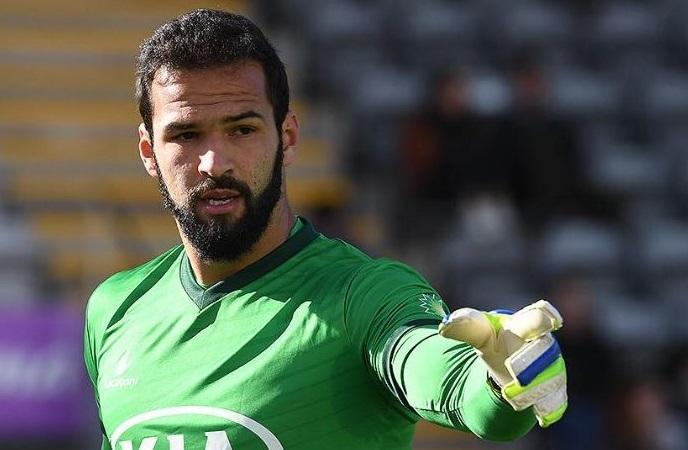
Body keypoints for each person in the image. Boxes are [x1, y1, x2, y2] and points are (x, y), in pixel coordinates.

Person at [83, 9, 568, 450]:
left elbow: (441, 372)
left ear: (288, 137)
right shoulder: (114, 310)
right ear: (149, 152)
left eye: (242, 129)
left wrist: (497, 380)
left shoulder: (362, 295)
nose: (215, 162)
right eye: (186, 134)